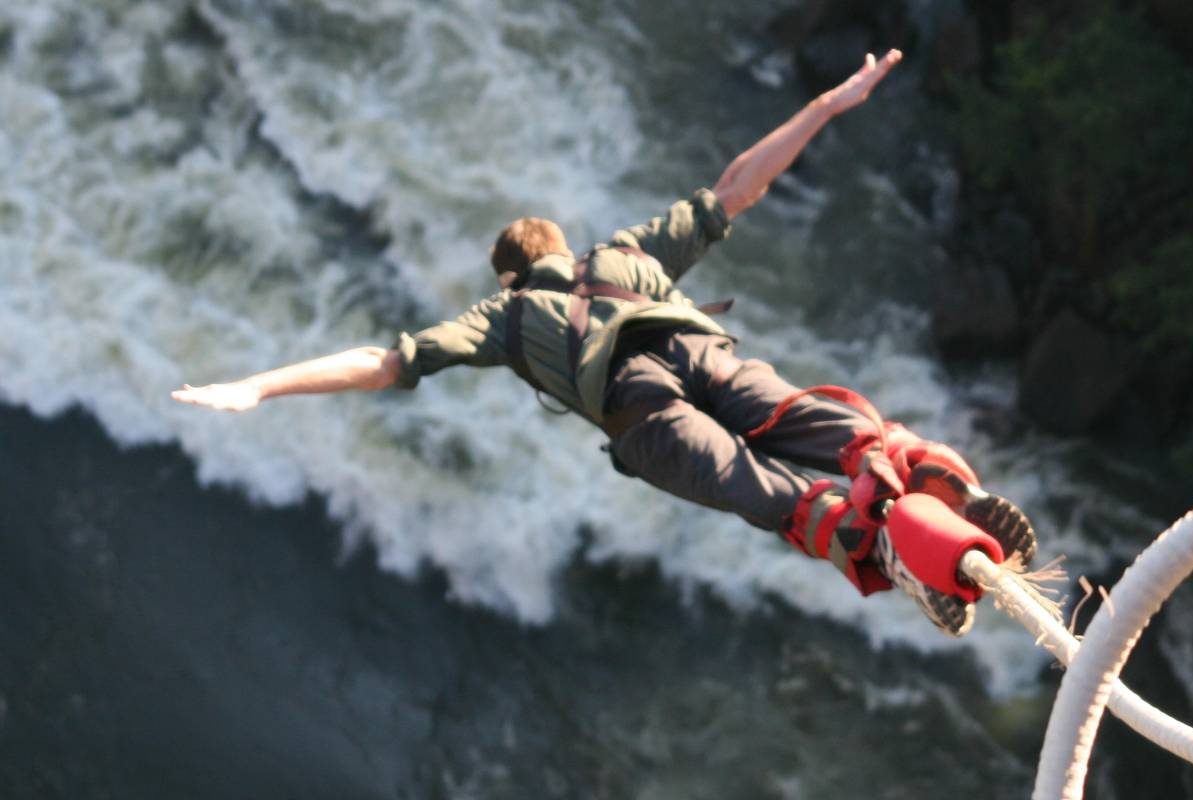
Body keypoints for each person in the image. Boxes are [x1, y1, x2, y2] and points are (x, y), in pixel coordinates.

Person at [172, 51, 1036, 637]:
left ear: (513, 276)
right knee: (842, 432)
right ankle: (927, 478)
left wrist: (259, 386)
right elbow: (743, 184)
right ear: (562, 245)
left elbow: (388, 362)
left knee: (781, 500)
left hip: (645, 413)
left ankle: (888, 549)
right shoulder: (623, 254)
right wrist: (826, 105)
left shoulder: (505, 320)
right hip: (706, 357)